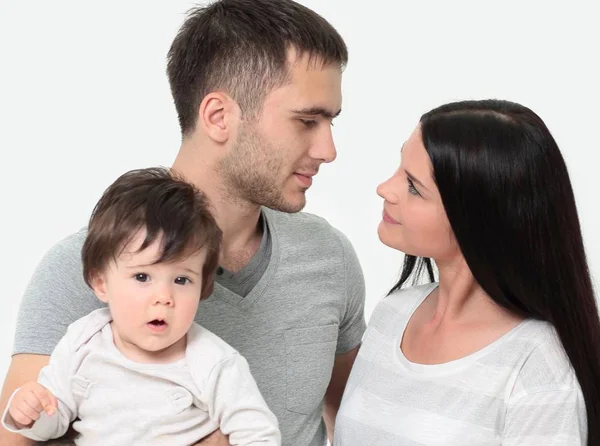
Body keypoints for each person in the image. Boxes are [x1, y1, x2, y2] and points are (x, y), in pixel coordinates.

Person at [0, 1, 366, 445]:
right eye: (307, 121)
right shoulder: (82, 268)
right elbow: (23, 431)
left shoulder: (329, 257)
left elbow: (356, 420)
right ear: (218, 117)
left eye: (330, 122)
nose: (329, 150)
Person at [334, 99, 600, 445]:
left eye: (414, 187)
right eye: (400, 168)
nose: (385, 188)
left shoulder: (537, 366)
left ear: (477, 218)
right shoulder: (393, 315)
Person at [2, 167, 281, 445]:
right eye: (142, 277)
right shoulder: (82, 341)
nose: (164, 297)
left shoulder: (212, 361)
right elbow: (56, 416)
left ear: (202, 288)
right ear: (101, 283)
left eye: (182, 279)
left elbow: (258, 433)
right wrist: (32, 412)